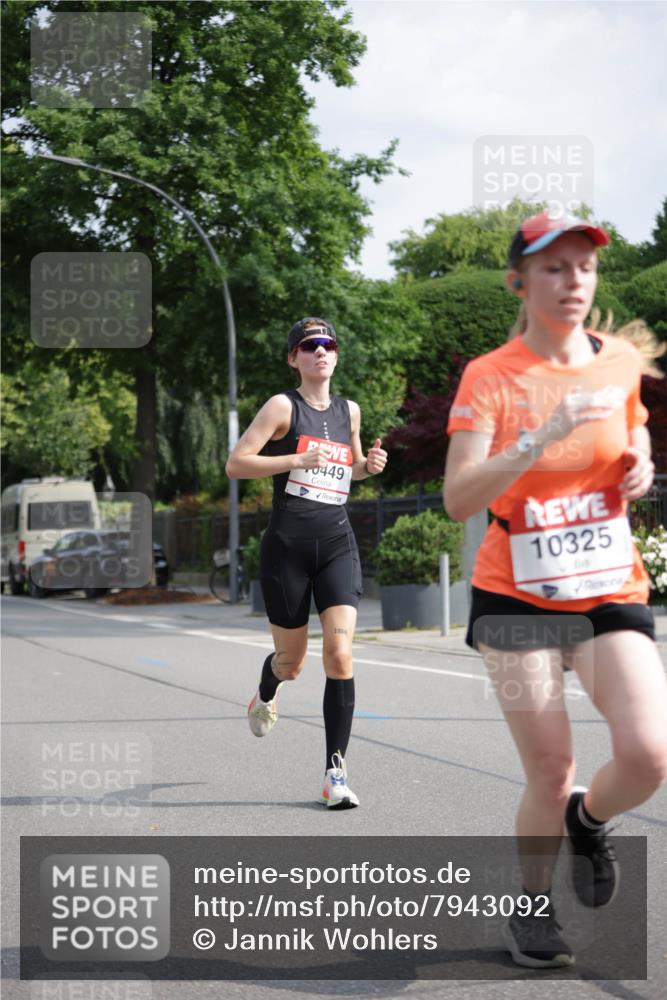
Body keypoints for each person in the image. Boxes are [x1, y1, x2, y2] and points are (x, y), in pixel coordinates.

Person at [444, 211, 667, 968]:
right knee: (548, 767)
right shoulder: (492, 375)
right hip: (517, 595)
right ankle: (531, 911)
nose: (572, 281)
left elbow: (630, 424)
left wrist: (637, 459)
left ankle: (589, 820)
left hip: (605, 585)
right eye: (552, 268)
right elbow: (458, 496)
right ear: (519, 281)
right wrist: (539, 436)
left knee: (648, 754)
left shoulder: (620, 359)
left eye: (583, 268)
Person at [225, 317, 387, 809]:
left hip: (337, 544)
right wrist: (293, 460)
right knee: (292, 664)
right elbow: (237, 463)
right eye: (310, 345)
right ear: (294, 357)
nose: (321, 351)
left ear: (337, 356)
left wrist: (368, 467)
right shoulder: (282, 406)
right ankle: (267, 688)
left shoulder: (349, 411)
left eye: (329, 344)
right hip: (287, 549)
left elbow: (350, 470)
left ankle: (334, 773)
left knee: (339, 656)